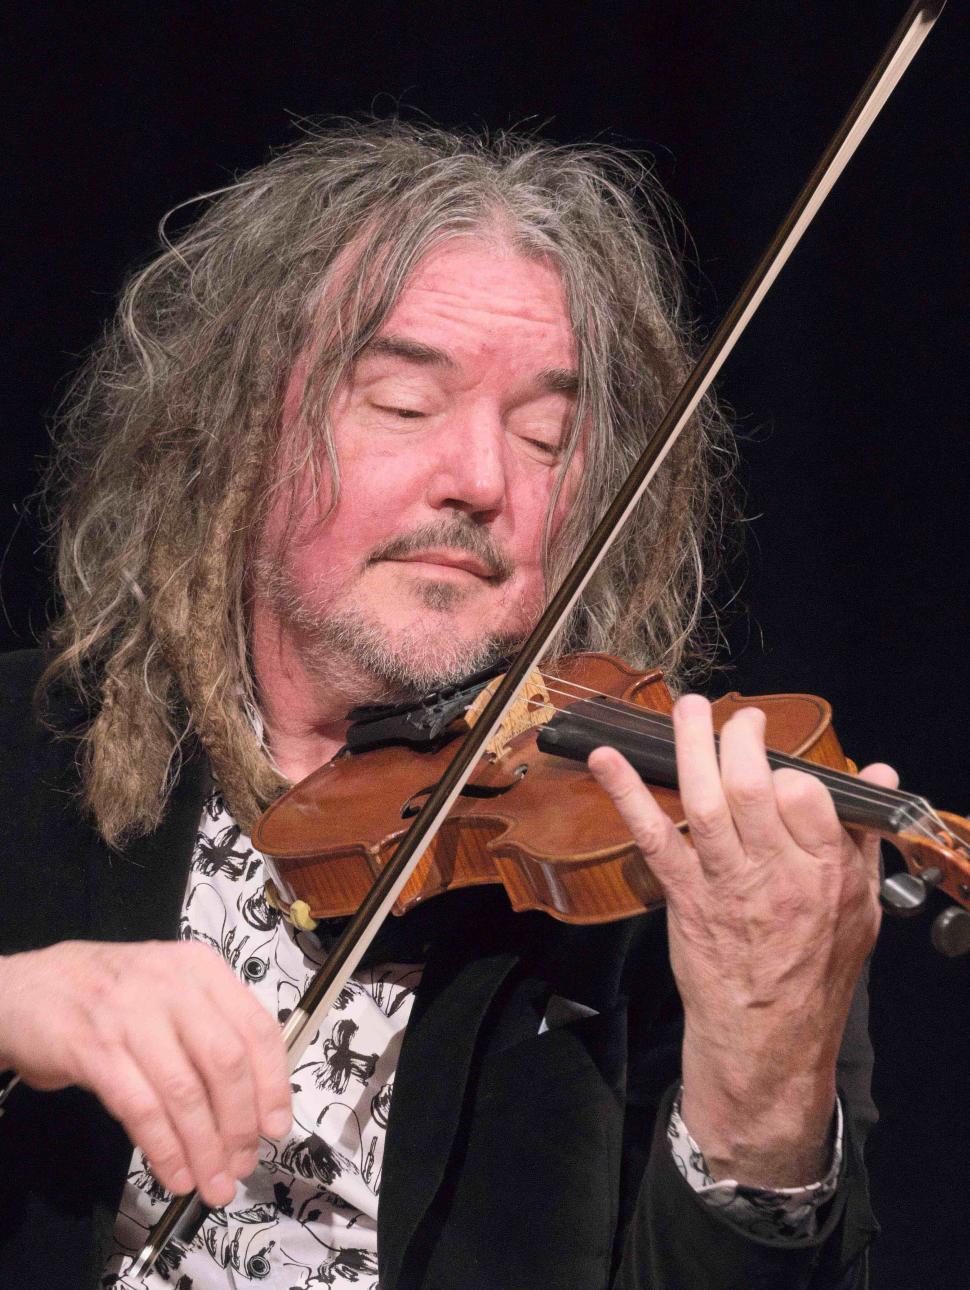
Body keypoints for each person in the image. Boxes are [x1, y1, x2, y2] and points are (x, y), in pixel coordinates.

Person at [0, 121, 893, 1289]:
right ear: (231, 439)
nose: (481, 479)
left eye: (546, 435)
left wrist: (761, 1101)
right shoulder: (25, 750)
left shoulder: (702, 877)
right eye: (403, 404)